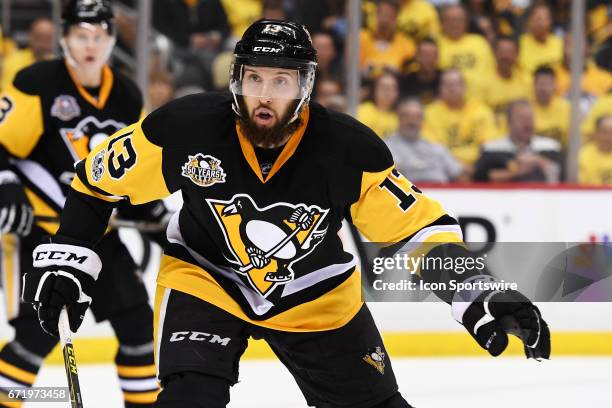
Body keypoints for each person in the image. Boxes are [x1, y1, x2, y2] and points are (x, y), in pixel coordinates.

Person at [22, 20, 549, 408]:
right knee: (189, 400)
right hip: (208, 279)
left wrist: (477, 290)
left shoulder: (347, 149)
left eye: (281, 81)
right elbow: (96, 182)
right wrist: (68, 259)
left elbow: (416, 232)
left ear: (305, 86)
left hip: (315, 293)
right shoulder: (183, 130)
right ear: (236, 80)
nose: (265, 97)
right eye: (255, 79)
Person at [0, 1, 165, 407]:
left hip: (96, 232)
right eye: (80, 36)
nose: (90, 46)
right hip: (40, 233)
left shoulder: (126, 94)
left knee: (139, 326)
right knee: (36, 336)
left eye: (98, 36)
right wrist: (6, 184)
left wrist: (155, 214)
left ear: (111, 40)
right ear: (64, 38)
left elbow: (133, 171)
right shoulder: (36, 81)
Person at [422, 69, 497, 168]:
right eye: (447, 85)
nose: (451, 89)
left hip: (479, 167)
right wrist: (458, 167)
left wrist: (476, 167)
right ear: (440, 89)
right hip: (443, 167)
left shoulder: (480, 110)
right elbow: (432, 149)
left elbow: (489, 145)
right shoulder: (429, 113)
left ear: (464, 87)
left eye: (455, 84)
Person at [474, 100, 562, 183]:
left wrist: (538, 160)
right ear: (509, 122)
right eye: (522, 119)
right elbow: (479, 177)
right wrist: (517, 172)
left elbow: (560, 176)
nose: (528, 124)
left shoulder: (550, 146)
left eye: (530, 118)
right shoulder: (492, 149)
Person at [385, 99, 466, 183]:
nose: (412, 121)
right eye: (407, 116)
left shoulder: (435, 147)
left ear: (423, 120)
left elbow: (459, 175)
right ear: (399, 118)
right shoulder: (388, 147)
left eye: (417, 117)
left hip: (441, 193)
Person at [0, 17, 56, 91]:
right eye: (39, 37)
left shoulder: (60, 66)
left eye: (48, 38)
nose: (43, 43)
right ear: (30, 36)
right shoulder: (11, 61)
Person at [531, 65, 570, 148]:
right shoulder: (525, 110)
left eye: (547, 84)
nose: (543, 88)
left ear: (555, 85)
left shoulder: (567, 108)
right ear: (533, 85)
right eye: (540, 84)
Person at [579, 115, 612, 185]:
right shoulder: (582, 155)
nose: (609, 137)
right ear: (596, 133)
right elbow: (580, 185)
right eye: (605, 132)